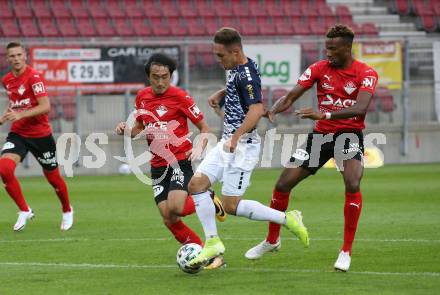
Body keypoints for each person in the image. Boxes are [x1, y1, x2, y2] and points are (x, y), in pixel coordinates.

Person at [245, 25, 379, 272]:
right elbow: (291, 96)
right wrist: (273, 110)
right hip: (320, 138)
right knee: (283, 184)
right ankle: (272, 240)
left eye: (333, 48)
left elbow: (360, 108)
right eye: (326, 47)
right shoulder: (319, 69)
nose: (327, 53)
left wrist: (323, 113)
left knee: (352, 183)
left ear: (347, 48)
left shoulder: (366, 73)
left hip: (348, 136)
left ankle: (345, 251)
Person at [187, 27, 309, 267]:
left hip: (242, 145)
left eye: (221, 56)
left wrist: (236, 137)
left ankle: (288, 218)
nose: (218, 60)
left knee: (231, 206)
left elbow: (255, 109)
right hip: (229, 141)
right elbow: (241, 89)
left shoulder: (246, 75)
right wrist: (222, 93)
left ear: (235, 51)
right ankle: (212, 243)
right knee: (197, 184)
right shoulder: (238, 66)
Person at [115, 53, 226, 267]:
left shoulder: (180, 97)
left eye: (164, 76)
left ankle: (208, 197)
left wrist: (199, 146)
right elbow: (139, 127)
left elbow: (204, 128)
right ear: (148, 76)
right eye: (155, 77)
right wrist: (125, 130)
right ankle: (209, 255)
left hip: (179, 161)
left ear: (171, 76)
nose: (160, 81)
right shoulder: (142, 97)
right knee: (168, 217)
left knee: (175, 207)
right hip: (157, 167)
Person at [0, 42, 73, 231]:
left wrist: (21, 114)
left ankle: (67, 210)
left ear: (25, 56)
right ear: (7, 58)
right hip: (18, 134)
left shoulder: (34, 77)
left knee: (53, 178)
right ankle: (24, 210)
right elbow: (16, 103)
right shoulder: (7, 79)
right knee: (4, 169)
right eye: (12, 56)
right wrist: (5, 116)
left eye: (19, 55)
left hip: (41, 135)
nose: (16, 59)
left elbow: (45, 106)